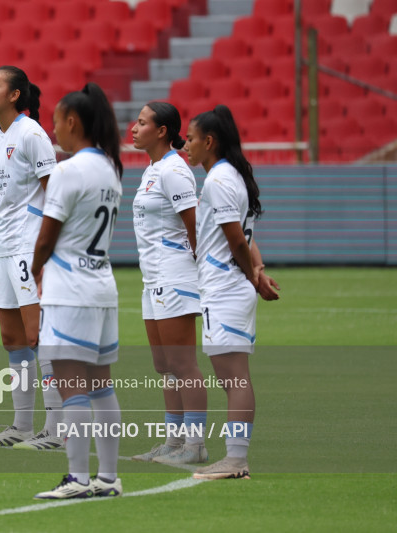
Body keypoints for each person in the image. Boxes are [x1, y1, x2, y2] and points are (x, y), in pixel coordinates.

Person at [32, 83, 124, 499]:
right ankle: (108, 477)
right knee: (102, 386)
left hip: (69, 290)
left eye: (56, 122)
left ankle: (77, 478)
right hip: (102, 286)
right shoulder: (110, 167)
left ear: (73, 121)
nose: (53, 131)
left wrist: (34, 272)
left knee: (72, 388)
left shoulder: (67, 170)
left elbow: (48, 236)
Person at [183, 104, 280, 479]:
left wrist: (254, 277)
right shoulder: (233, 176)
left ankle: (236, 459)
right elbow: (247, 239)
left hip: (225, 288)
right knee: (232, 377)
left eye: (191, 139)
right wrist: (258, 269)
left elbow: (237, 240)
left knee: (235, 378)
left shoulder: (218, 181)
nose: (186, 145)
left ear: (209, 141)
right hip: (226, 287)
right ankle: (234, 457)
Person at [0, 65, 63, 451]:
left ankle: (57, 431)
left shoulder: (32, 134)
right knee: (13, 339)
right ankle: (22, 427)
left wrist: (49, 247)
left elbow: (56, 195)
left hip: (29, 246)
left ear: (14, 95)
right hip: (3, 246)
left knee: (38, 336)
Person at [129, 102, 208, 465]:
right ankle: (173, 441)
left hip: (174, 276)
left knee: (183, 364)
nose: (134, 127)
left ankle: (195, 445)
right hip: (153, 279)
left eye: (142, 122)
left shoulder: (175, 170)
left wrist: (201, 273)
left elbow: (195, 228)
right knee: (164, 366)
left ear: (162, 131)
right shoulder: (153, 169)